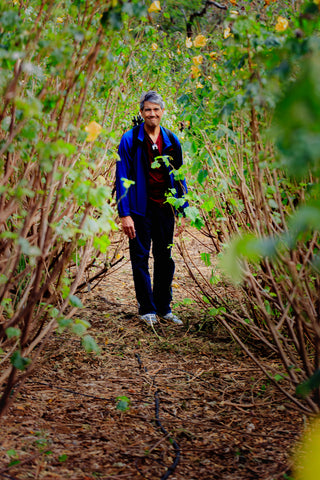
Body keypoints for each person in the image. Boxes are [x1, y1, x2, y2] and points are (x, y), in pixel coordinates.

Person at [116, 90, 188, 326]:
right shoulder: (130, 139)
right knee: (140, 257)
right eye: (148, 109)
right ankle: (146, 308)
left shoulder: (171, 140)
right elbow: (122, 177)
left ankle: (164, 307)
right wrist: (124, 214)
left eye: (156, 109)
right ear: (141, 112)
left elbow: (180, 176)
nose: (152, 114)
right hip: (139, 209)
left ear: (162, 112)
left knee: (164, 257)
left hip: (165, 207)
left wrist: (182, 209)